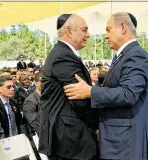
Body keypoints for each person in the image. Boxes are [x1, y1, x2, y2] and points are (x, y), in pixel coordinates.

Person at [64, 12, 148, 159]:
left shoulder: (135, 55)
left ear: (123, 27)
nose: (105, 36)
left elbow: (128, 94)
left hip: (126, 142)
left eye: (108, 29)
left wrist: (91, 92)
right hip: (123, 138)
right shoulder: (125, 55)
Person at [39, 13, 98, 160]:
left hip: (69, 138)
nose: (88, 35)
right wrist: (96, 125)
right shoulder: (63, 56)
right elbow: (78, 97)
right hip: (69, 141)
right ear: (69, 31)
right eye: (84, 30)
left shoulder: (63, 53)